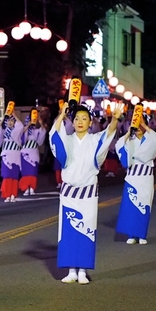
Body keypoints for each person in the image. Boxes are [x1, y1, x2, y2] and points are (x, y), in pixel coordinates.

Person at [49, 102, 121, 285]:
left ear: (90, 123)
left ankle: (82, 270)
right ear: (72, 122)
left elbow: (109, 134)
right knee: (69, 231)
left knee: (86, 231)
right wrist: (61, 115)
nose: (80, 122)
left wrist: (115, 118)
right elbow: (55, 136)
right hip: (69, 194)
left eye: (84, 119)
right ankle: (71, 270)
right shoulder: (68, 139)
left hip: (87, 194)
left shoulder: (95, 139)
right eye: (77, 119)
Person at [115, 117, 156, 245]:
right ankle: (131, 234)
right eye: (136, 123)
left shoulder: (151, 139)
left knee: (143, 205)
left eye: (141, 124)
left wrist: (145, 126)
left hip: (146, 178)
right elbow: (119, 145)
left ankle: (141, 234)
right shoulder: (129, 140)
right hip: (132, 178)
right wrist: (129, 132)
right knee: (131, 206)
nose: (138, 127)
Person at [0, 112, 24, 203]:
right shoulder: (4, 132)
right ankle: (7, 194)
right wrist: (3, 119)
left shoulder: (16, 131)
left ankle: (13, 195)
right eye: (9, 121)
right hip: (6, 156)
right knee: (7, 176)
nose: (10, 122)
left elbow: (21, 126)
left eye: (12, 121)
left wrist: (15, 115)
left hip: (15, 156)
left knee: (14, 176)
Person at [19, 113, 46, 196]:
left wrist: (40, 122)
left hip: (34, 152)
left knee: (33, 171)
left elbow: (43, 131)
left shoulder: (36, 131)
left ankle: (32, 188)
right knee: (25, 172)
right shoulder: (24, 129)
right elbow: (20, 135)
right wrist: (28, 125)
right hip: (25, 153)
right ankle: (26, 188)